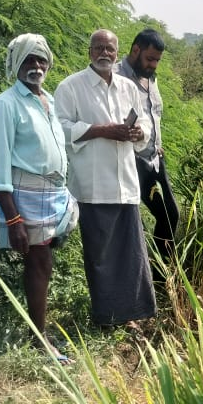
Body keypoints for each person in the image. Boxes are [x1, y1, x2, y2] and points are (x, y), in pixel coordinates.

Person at [54, 29, 156, 328]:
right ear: (89, 52)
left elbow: (145, 122)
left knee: (130, 254)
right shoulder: (71, 86)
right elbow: (59, 128)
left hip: (125, 183)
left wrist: (138, 132)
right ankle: (107, 317)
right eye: (98, 48)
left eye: (109, 49)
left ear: (117, 52)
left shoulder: (127, 87)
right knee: (101, 257)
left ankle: (132, 314)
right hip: (93, 185)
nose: (104, 53)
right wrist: (102, 130)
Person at [0, 33, 76, 363]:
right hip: (26, 195)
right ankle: (40, 339)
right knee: (39, 264)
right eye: (28, 59)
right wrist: (13, 219)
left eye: (41, 59)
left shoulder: (48, 100)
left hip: (52, 193)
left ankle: (39, 332)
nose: (36, 65)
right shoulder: (6, 104)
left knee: (44, 261)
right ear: (16, 64)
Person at [114, 28, 179, 284]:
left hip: (153, 158)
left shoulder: (150, 78)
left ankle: (161, 280)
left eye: (157, 60)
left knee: (170, 215)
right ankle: (138, 280)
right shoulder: (116, 77)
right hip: (128, 160)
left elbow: (154, 115)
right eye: (150, 59)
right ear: (135, 49)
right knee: (134, 225)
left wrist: (157, 143)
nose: (154, 65)